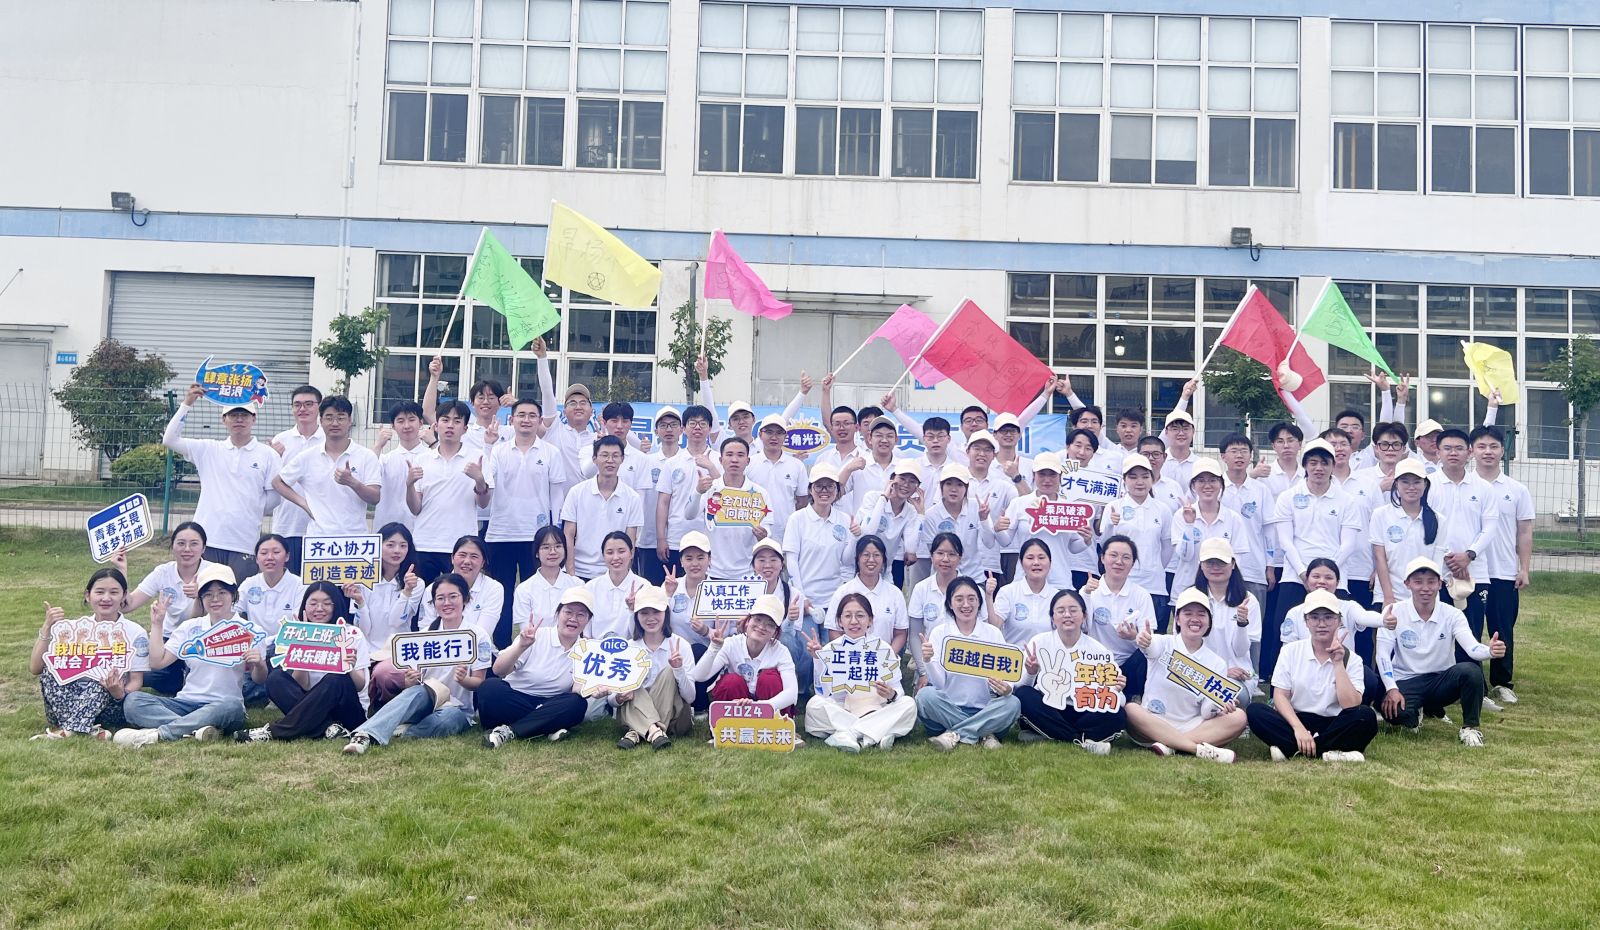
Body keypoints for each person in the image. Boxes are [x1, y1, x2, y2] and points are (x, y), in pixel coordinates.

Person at [341, 572, 493, 754]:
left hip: (458, 708)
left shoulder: (478, 635)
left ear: (465, 599)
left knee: (448, 718)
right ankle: (364, 735)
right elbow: (413, 684)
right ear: (434, 603)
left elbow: (479, 682)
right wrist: (409, 681)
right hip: (428, 698)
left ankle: (405, 732)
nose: (447, 603)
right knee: (417, 691)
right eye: (440, 598)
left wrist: (463, 680)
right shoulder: (424, 635)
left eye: (453, 597)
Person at [115, 566, 254, 746]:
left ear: (233, 595)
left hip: (221, 704)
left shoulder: (248, 631)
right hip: (184, 703)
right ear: (201, 598)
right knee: (133, 701)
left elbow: (260, 678)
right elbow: (157, 663)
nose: (215, 599)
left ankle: (160, 734)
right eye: (208, 594)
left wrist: (258, 664)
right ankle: (199, 728)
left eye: (222, 593)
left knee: (232, 706)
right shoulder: (190, 627)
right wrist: (157, 624)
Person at [1377, 557, 1504, 747]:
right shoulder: (1393, 611)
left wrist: (1490, 651)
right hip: (1407, 679)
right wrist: (1392, 689)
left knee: (1471, 671)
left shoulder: (1453, 614)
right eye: (1418, 582)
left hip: (1441, 680)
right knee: (1395, 715)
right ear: (1407, 584)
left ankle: (1470, 728)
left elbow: (1472, 648)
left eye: (1431, 582)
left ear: (1440, 584)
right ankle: (1416, 713)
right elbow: (1382, 655)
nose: (1425, 588)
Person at [1264, 438, 1361, 680]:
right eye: (1313, 462)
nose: (1319, 468)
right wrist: (1304, 573)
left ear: (1333, 465)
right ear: (1305, 465)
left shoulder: (1347, 501)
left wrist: (1326, 576)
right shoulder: (1288, 497)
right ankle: (1281, 687)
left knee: (1336, 633)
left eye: (1324, 463)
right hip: (1295, 577)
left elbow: (1348, 544)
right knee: (1285, 631)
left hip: (1335, 580)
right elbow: (1286, 540)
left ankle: (1339, 683)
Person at [1246, 589, 1378, 763]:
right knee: (1255, 711)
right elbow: (1280, 696)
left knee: (1366, 716)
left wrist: (1338, 663)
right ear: (1306, 622)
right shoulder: (1290, 651)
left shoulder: (1352, 659)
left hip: (1334, 722)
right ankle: (1329, 752)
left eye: (1328, 617)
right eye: (1314, 618)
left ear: (1339, 621)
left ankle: (1294, 749)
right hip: (1297, 718)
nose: (1321, 624)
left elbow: (1350, 705)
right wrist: (1298, 729)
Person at [162, 383, 279, 576]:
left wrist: (251, 508)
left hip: (245, 543)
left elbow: (274, 497)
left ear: (254, 419)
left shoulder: (268, 454)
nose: (239, 419)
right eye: (233, 415)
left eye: (244, 415)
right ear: (224, 419)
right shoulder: (208, 449)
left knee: (238, 593)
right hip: (208, 540)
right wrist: (187, 403)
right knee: (202, 592)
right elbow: (170, 439)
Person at [236, 581, 372, 743]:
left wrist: (349, 667)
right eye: (313, 603)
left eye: (327, 603)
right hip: (313, 706)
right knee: (275, 679)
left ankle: (273, 731)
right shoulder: (300, 634)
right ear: (304, 606)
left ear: (336, 606)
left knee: (335, 679)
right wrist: (302, 646)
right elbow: (303, 685)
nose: (319, 609)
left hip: (348, 710)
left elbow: (360, 686)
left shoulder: (351, 633)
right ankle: (328, 728)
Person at [1123, 587, 1248, 763]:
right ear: (1178, 619)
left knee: (1239, 717)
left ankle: (1170, 745)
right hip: (1153, 723)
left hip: (1191, 726)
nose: (1195, 619)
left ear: (1209, 621)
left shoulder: (1217, 663)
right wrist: (1143, 640)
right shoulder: (1164, 643)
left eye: (1201, 614)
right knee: (1131, 709)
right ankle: (1196, 749)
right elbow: (1150, 646)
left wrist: (1218, 705)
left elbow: (1206, 711)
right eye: (1188, 613)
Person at [31, 569, 149, 740]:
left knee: (103, 675)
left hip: (110, 704)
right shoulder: (75, 629)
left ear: (124, 596)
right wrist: (47, 627)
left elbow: (137, 680)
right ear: (88, 595)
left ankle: (69, 730)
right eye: (99, 592)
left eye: (114, 592)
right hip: (66, 706)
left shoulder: (135, 632)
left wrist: (119, 692)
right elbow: (35, 668)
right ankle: (86, 729)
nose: (106, 598)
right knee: (51, 668)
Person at [479, 587, 596, 749]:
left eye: (581, 615)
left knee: (576, 704)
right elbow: (499, 670)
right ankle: (546, 726)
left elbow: (577, 688)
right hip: (514, 698)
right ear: (558, 614)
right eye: (568, 612)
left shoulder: (587, 649)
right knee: (489, 688)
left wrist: (595, 689)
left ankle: (508, 731)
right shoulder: (537, 635)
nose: (573, 619)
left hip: (551, 703)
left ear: (588, 620)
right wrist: (521, 645)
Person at [1015, 589, 1129, 753]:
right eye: (1061, 611)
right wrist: (1031, 672)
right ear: (1053, 617)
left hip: (1084, 711)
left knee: (1117, 713)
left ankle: (1053, 736)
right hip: (1049, 708)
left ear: (1084, 616)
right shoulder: (1039, 642)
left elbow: (1120, 700)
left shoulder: (1098, 650)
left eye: (1073, 610)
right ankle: (1081, 740)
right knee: (1024, 696)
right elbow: (1020, 687)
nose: (1067, 615)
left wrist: (1116, 689)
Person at [917, 576, 1022, 750]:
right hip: (948, 709)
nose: (966, 604)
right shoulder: (940, 632)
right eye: (959, 599)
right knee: (925, 696)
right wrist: (927, 661)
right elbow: (940, 684)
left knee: (1013, 703)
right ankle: (984, 734)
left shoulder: (992, 633)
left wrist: (1007, 688)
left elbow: (1006, 675)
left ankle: (953, 734)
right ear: (950, 604)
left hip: (986, 710)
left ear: (979, 602)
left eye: (971, 599)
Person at [803, 593, 918, 751]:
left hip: (878, 708)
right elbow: (823, 693)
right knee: (814, 705)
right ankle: (877, 733)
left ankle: (849, 734)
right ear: (839, 621)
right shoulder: (831, 649)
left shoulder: (883, 648)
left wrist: (891, 694)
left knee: (908, 704)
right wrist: (818, 658)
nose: (854, 621)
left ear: (870, 620)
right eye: (847, 616)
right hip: (844, 710)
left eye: (860, 616)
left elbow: (898, 690)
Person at [1471, 425, 1533, 707]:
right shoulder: (1464, 486)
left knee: (1503, 628)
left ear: (1502, 450)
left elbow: (1524, 531)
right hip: (1471, 572)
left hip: (1504, 571)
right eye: (1481, 446)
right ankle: (1475, 684)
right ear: (1472, 450)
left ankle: (1501, 682)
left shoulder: (1516, 490)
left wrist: (1524, 568)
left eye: (1493, 446)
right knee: (1470, 629)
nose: (1488, 452)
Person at [118, 522, 219, 695]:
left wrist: (202, 595)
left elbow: (217, 616)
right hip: (169, 640)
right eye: (181, 543)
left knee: (204, 675)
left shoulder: (214, 572)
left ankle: (183, 678)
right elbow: (128, 605)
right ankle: (179, 678)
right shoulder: (163, 572)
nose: (187, 549)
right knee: (147, 673)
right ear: (172, 547)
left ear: (203, 548)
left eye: (194, 544)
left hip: (204, 640)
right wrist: (122, 569)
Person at [1279, 558, 1386, 706]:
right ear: (1307, 580)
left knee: (1369, 678)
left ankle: (1355, 709)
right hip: (1307, 669)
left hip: (1341, 667)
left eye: (1328, 577)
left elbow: (1364, 616)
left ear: (1338, 582)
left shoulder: (1348, 607)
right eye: (1316, 576)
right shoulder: (1295, 612)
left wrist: (1384, 620)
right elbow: (1287, 649)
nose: (1322, 582)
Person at [271, 395, 382, 537]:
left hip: (355, 538)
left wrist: (352, 482)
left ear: (350, 420)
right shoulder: (308, 456)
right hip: (318, 538)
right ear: (321, 421)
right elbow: (277, 482)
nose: (335, 423)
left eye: (341, 418)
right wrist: (304, 504)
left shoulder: (366, 456)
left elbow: (375, 498)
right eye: (329, 418)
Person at [406, 399, 490, 581]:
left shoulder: (478, 457)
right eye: (445, 420)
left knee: (459, 594)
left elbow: (483, 504)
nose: (450, 425)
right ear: (436, 425)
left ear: (465, 428)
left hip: (461, 546)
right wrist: (409, 485)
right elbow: (415, 508)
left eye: (457, 421)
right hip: (425, 542)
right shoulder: (422, 459)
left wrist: (479, 480)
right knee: (423, 595)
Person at [611, 585, 696, 750]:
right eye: (644, 613)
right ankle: (655, 732)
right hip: (635, 706)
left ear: (666, 613)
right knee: (633, 683)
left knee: (670, 671)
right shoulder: (629, 648)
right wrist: (620, 697)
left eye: (656, 612)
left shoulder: (681, 645)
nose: (650, 618)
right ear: (636, 616)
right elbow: (612, 700)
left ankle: (638, 731)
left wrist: (678, 670)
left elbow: (690, 697)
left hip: (674, 717)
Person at [993, 453, 1093, 589]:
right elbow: (1005, 541)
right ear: (1034, 476)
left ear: (1060, 477)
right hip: (1025, 579)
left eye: (1052, 475)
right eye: (1042, 474)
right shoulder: (1019, 503)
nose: (1047, 480)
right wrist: (998, 529)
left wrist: (1086, 540)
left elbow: (1073, 548)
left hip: (1059, 580)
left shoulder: (1069, 508)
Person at [693, 594, 799, 717]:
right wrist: (714, 648)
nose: (761, 627)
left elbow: (792, 693)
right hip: (738, 703)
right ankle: (729, 722)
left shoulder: (781, 651)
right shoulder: (731, 644)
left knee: (769, 679)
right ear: (748, 621)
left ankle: (776, 723)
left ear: (775, 632)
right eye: (757, 619)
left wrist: (760, 707)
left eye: (770, 624)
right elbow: (699, 676)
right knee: (731, 682)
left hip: (769, 708)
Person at [1101, 453, 1175, 628]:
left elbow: (1167, 547)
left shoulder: (1162, 509)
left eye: (1145, 476)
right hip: (1123, 583)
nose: (1139, 482)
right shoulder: (1114, 507)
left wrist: (1154, 566)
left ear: (1152, 479)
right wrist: (1111, 524)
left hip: (1154, 585)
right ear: (1124, 480)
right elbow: (1104, 543)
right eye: (1133, 477)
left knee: (1152, 636)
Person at [686, 436, 776, 580]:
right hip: (713, 571)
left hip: (748, 572)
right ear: (721, 460)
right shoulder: (710, 488)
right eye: (729, 455)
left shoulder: (760, 493)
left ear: (748, 461)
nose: (734, 460)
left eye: (740, 455)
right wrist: (697, 492)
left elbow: (767, 530)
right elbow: (689, 515)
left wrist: (763, 534)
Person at [782, 463, 859, 633]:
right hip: (806, 600)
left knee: (831, 647)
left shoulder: (844, 519)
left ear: (837, 490)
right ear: (810, 489)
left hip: (834, 599)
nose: (824, 491)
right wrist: (801, 597)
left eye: (830, 486)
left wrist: (854, 537)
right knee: (807, 645)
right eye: (819, 486)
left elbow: (846, 561)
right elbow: (791, 561)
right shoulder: (797, 519)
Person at [1081, 535, 1156, 698]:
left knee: (1147, 655)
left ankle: (1136, 698)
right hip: (1094, 664)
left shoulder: (1141, 595)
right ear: (1102, 558)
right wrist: (1086, 594)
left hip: (1128, 665)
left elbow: (1149, 641)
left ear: (1133, 563)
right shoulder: (1089, 591)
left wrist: (1133, 637)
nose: (1119, 562)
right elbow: (1081, 628)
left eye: (1126, 557)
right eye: (1113, 555)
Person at [561, 435, 643, 580]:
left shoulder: (632, 498)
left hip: (613, 574)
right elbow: (568, 534)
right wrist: (571, 574)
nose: (610, 460)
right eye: (604, 455)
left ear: (622, 459)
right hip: (580, 571)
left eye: (615, 456)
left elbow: (631, 541)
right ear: (594, 459)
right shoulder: (576, 492)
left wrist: (623, 575)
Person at [1370, 459, 1448, 607]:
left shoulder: (1438, 520)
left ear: (1425, 485)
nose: (1411, 487)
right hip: (1389, 597)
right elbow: (1380, 558)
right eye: (1405, 482)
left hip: (1425, 598)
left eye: (1417, 482)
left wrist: (1429, 597)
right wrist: (1388, 597)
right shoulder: (1380, 515)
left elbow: (1437, 563)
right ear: (1396, 484)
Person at [1169, 458, 1251, 597]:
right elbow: (1185, 556)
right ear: (1193, 485)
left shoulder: (1233, 518)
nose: (1207, 486)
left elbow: (1237, 559)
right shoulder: (1181, 515)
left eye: (1213, 480)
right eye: (1201, 481)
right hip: (1186, 592)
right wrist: (1189, 525)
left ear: (1221, 484)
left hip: (1222, 593)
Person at [269, 384, 325, 571]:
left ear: (319, 407)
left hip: (322, 526)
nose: (303, 409)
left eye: (309, 404)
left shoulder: (329, 440)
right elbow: (270, 482)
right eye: (297, 404)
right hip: (287, 525)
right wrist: (272, 457)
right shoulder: (281, 440)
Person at [346, 523, 422, 659]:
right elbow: (363, 630)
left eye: (403, 546)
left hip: (399, 653)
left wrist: (406, 592)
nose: (397, 551)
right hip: (367, 652)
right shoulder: (362, 580)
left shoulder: (416, 583)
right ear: (377, 546)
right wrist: (360, 602)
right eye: (390, 545)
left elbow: (396, 621)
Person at [823, 535, 909, 654]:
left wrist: (887, 657)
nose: (871, 560)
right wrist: (851, 654)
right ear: (857, 559)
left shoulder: (895, 594)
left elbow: (900, 633)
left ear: (884, 560)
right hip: (852, 658)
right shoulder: (843, 592)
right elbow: (834, 630)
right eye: (866, 555)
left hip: (884, 659)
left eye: (876, 555)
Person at [1192, 538, 1257, 694]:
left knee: (1227, 697)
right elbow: (1185, 646)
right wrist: (1221, 671)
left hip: (1238, 675)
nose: (1215, 568)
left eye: (1221, 562)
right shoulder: (1190, 597)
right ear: (1201, 565)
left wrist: (1242, 623)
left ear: (1233, 564)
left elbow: (1240, 651)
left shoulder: (1248, 600)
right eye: (1209, 563)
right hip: (1198, 672)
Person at [1218, 433, 1272, 607]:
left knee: (1253, 618)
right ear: (1223, 456)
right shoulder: (1214, 488)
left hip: (1253, 568)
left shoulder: (1261, 490)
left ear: (1250, 456)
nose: (1239, 456)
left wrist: (1270, 566)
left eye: (1244, 451)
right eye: (1234, 451)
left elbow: (1269, 531)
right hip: (1218, 567)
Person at [509, 525, 584, 645]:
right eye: (546, 547)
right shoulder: (524, 589)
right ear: (537, 553)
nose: (553, 552)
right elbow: (526, 630)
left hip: (570, 648)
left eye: (558, 546)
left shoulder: (577, 585)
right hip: (535, 647)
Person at [415, 535, 503, 636]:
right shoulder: (432, 589)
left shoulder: (494, 588)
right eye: (462, 555)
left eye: (474, 556)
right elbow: (425, 632)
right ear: (452, 558)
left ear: (483, 562)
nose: (467, 561)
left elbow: (483, 633)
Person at [637, 406, 686, 582]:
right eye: (663, 425)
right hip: (649, 538)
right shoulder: (646, 461)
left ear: (682, 429)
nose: (669, 429)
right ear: (656, 431)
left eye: (673, 425)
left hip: (679, 540)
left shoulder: (688, 461)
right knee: (651, 589)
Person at [747, 413, 810, 543]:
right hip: (753, 533)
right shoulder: (749, 463)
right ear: (760, 435)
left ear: (785, 436)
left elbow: (802, 501)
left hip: (786, 535)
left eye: (779, 433)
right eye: (769, 432)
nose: (774, 437)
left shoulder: (797, 465)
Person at [371, 400, 430, 532]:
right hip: (389, 529)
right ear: (393, 426)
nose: (406, 426)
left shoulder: (431, 457)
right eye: (400, 421)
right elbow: (367, 475)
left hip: (423, 530)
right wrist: (378, 445)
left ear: (421, 423)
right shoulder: (384, 460)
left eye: (411, 420)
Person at [990, 538, 1057, 647]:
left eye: (1041, 558)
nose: (1036, 563)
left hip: (1047, 656)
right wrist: (989, 595)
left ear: (1050, 562)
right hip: (1015, 655)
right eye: (1030, 558)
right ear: (1021, 563)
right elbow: (994, 627)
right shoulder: (1008, 592)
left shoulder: (1057, 597)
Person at [236, 534, 305, 640]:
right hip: (254, 645)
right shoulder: (249, 584)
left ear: (287, 556)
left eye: (276, 552)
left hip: (287, 644)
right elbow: (232, 611)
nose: (269, 558)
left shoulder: (299, 585)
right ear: (256, 558)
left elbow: (297, 622)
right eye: (264, 553)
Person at [584, 531, 647, 640]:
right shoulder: (591, 587)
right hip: (595, 648)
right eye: (610, 552)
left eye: (621, 551)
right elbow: (586, 631)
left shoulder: (644, 586)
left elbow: (646, 633)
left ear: (631, 553)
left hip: (633, 648)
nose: (616, 557)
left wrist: (632, 610)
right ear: (603, 556)